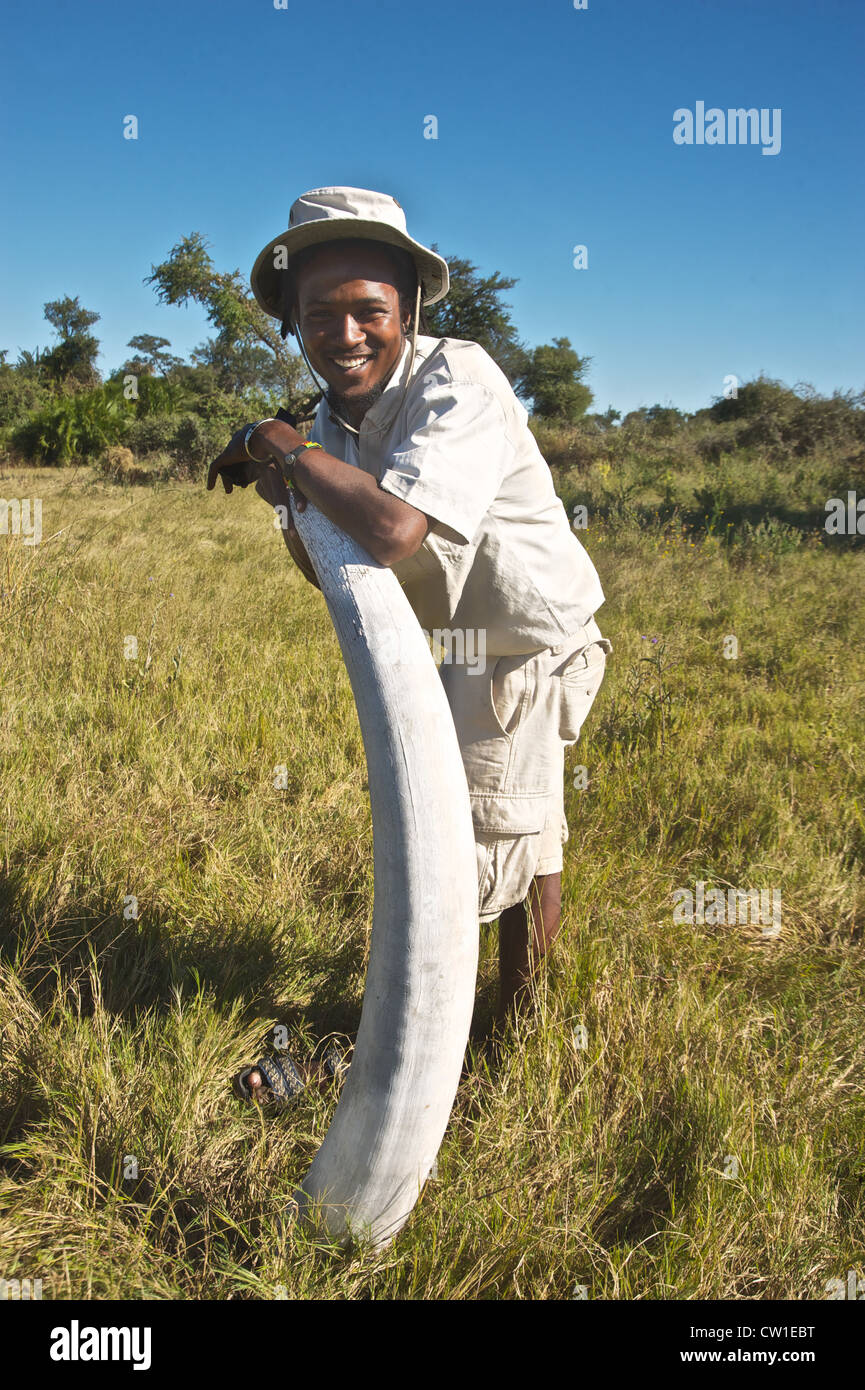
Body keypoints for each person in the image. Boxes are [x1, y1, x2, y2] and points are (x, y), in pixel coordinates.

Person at [208, 187, 611, 1100]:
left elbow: (389, 533)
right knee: (520, 831)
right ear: (293, 326)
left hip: (524, 640)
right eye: (320, 316)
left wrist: (278, 448)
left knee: (461, 851)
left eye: (368, 313)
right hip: (464, 641)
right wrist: (291, 475)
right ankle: (516, 1039)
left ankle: (388, 1062)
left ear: (410, 311)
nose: (344, 335)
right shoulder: (327, 424)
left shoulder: (455, 379)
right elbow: (341, 570)